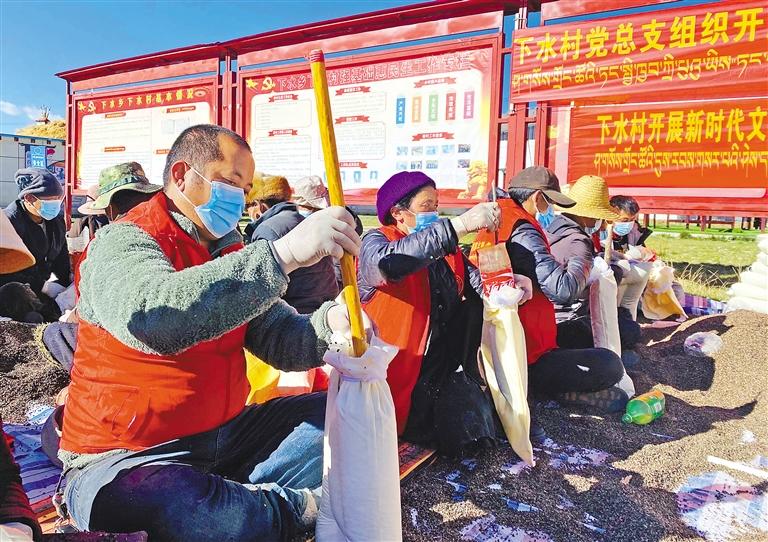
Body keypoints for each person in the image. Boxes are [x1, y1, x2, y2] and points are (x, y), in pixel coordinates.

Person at [58, 124, 366, 541]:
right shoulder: (124, 241)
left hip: (227, 437)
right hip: (127, 455)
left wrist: (331, 326)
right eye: (230, 182)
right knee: (172, 500)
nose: (239, 198)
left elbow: (278, 337)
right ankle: (290, 509)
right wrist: (283, 255)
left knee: (343, 415)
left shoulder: (227, 247)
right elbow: (155, 319)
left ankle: (244, 506)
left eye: (246, 189)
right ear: (182, 175)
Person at [358, 171, 533, 455]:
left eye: (436, 206)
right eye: (426, 206)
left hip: (440, 369)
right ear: (398, 213)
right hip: (393, 374)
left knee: (475, 433)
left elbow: (480, 284)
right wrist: (460, 225)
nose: (434, 213)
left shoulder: (445, 251)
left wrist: (511, 285)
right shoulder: (376, 243)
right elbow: (386, 266)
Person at [489, 166, 627, 411]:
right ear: (537, 198)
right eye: (549, 202)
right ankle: (552, 389)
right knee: (611, 365)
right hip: (527, 354)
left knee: (583, 332)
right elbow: (564, 290)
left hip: (519, 338)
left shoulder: (501, 218)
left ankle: (559, 384)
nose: (550, 209)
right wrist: (586, 266)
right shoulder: (525, 231)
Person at [544, 175, 642, 357]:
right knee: (632, 331)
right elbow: (569, 290)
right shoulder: (578, 241)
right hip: (564, 322)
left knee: (624, 318)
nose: (600, 220)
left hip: (548, 318)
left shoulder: (553, 229)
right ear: (589, 213)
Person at [248, 174, 339, 314]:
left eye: (248, 206)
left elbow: (262, 290)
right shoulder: (304, 221)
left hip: (294, 315)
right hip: (325, 308)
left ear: (258, 205)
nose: (247, 211)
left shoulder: (267, 230)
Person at [0, 168, 70, 321]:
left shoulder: (56, 222)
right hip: (15, 296)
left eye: (59, 198)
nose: (56, 203)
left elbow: (61, 258)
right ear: (29, 198)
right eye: (50, 199)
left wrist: (67, 285)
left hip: (43, 290)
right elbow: (5, 270)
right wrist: (44, 286)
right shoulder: (7, 223)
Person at [605, 195, 654, 322]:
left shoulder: (635, 231)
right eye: (624, 220)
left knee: (675, 290)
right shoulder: (600, 231)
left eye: (632, 219)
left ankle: (630, 322)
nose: (628, 224)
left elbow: (643, 251)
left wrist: (644, 254)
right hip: (612, 277)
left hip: (633, 279)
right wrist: (625, 257)